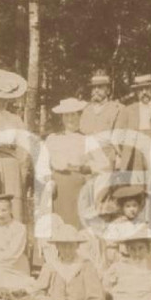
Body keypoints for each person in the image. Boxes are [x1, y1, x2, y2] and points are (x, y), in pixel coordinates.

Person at [26, 223, 112, 300]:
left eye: (70, 246)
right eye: (63, 246)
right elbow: (37, 293)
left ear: (77, 246)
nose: (67, 250)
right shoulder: (50, 265)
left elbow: (95, 298)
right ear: (57, 246)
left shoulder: (86, 265)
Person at [0, 69, 32, 227]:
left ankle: (15, 239)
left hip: (11, 165)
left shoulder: (15, 119)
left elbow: (24, 147)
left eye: (5, 98)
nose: (1, 101)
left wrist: (23, 170)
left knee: (13, 202)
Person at [45, 98, 105, 229]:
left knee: (77, 224)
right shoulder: (53, 139)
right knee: (59, 224)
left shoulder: (88, 139)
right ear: (62, 117)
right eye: (66, 115)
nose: (70, 119)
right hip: (58, 188)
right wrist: (49, 181)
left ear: (79, 116)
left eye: (73, 114)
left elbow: (103, 165)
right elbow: (43, 165)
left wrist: (83, 168)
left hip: (79, 186)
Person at [114, 74, 151, 174]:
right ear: (136, 92)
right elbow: (117, 135)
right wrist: (125, 152)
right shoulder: (128, 110)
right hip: (135, 155)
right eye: (140, 90)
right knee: (136, 187)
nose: (144, 92)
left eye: (147, 88)